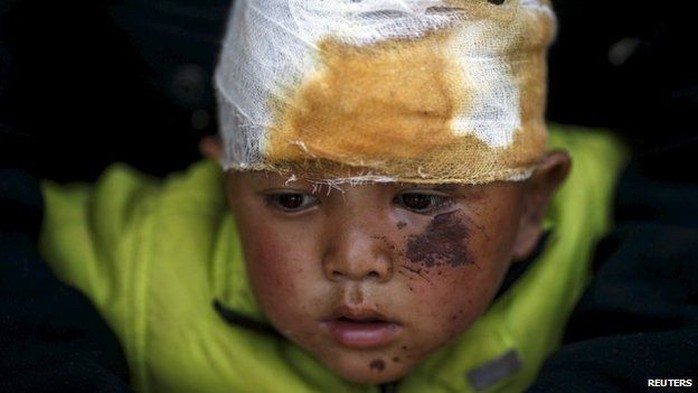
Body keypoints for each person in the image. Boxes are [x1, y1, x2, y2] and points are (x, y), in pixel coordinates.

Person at [32, 1, 629, 392]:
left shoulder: (612, 243)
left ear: (532, 205)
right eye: (292, 200)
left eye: (420, 201)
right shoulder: (125, 266)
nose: (353, 260)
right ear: (227, 185)